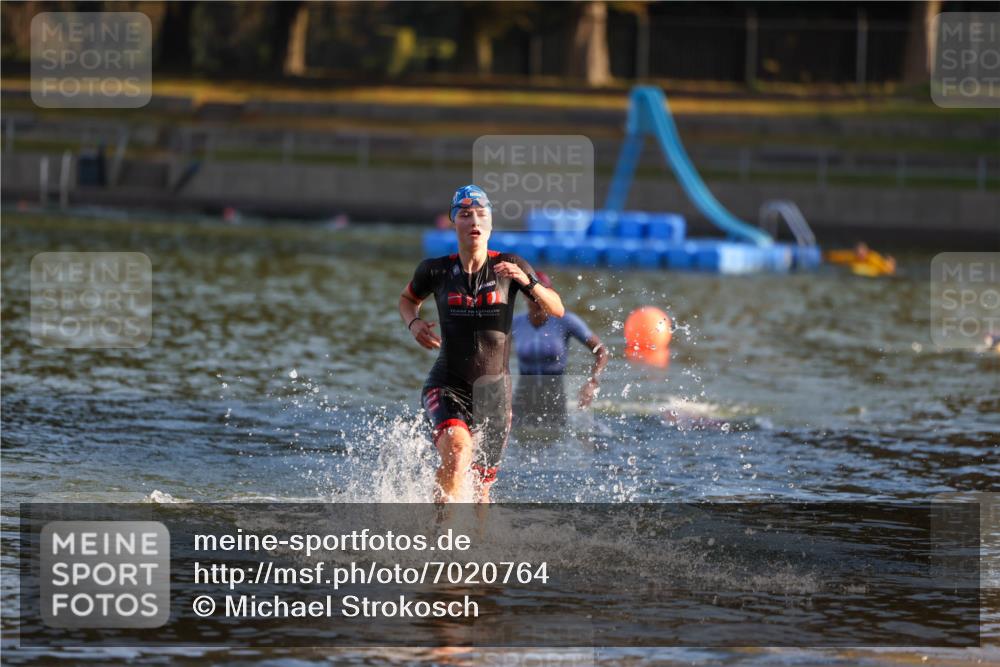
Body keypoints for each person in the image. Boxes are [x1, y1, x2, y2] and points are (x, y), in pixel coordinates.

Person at [399, 185, 565, 503]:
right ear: (454, 222)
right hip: (447, 384)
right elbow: (407, 299)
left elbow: (557, 308)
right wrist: (414, 322)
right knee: (458, 453)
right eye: (465, 215)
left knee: (481, 491)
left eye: (481, 214)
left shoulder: (510, 265)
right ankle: (441, 529)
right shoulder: (436, 270)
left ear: (490, 223)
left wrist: (527, 281)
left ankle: (461, 533)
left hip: (495, 394)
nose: (474, 221)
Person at [512, 271, 609, 426]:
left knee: (555, 438)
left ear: (550, 295)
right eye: (532, 295)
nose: (537, 299)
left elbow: (601, 351)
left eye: (541, 294)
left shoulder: (565, 321)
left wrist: (593, 382)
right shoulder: (515, 323)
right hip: (522, 398)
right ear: (524, 296)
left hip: (554, 398)